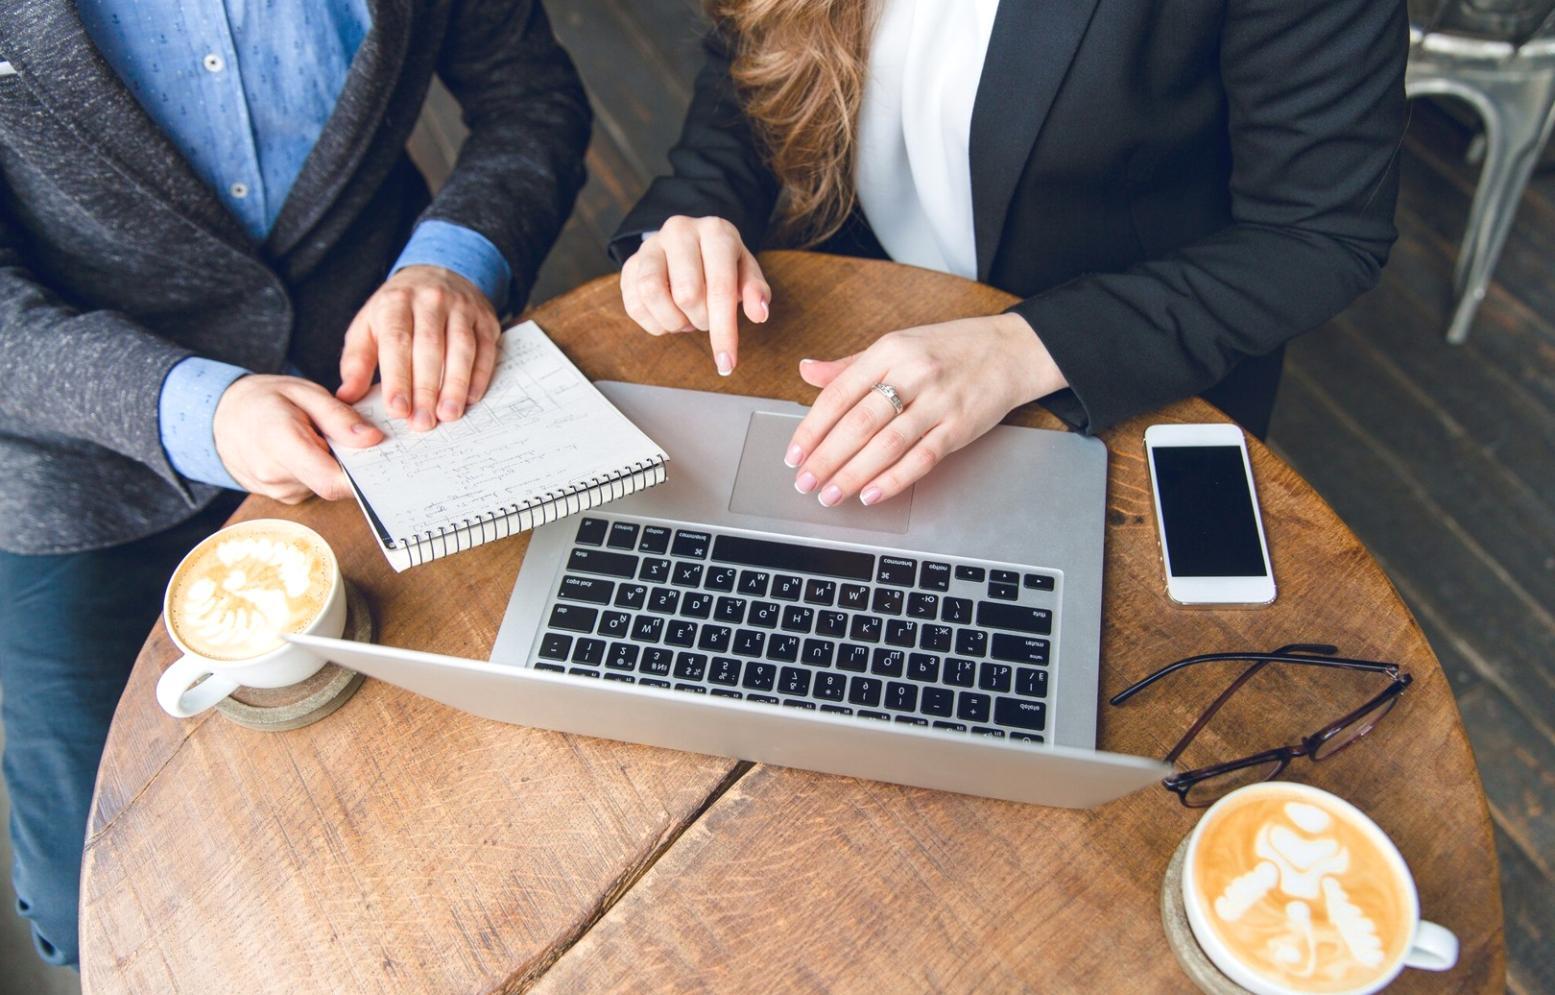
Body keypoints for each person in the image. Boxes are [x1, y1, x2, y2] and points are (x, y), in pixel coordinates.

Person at [0, 0, 589, 967]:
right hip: (84, 456)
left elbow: (531, 99)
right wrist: (185, 405)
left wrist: (450, 265)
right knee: (85, 910)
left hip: (385, 394)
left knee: (489, 820)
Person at [611, 0, 1407, 509]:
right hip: (844, 309)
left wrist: (1021, 347)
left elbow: (1317, 233)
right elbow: (748, 55)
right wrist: (690, 214)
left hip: (1107, 358)